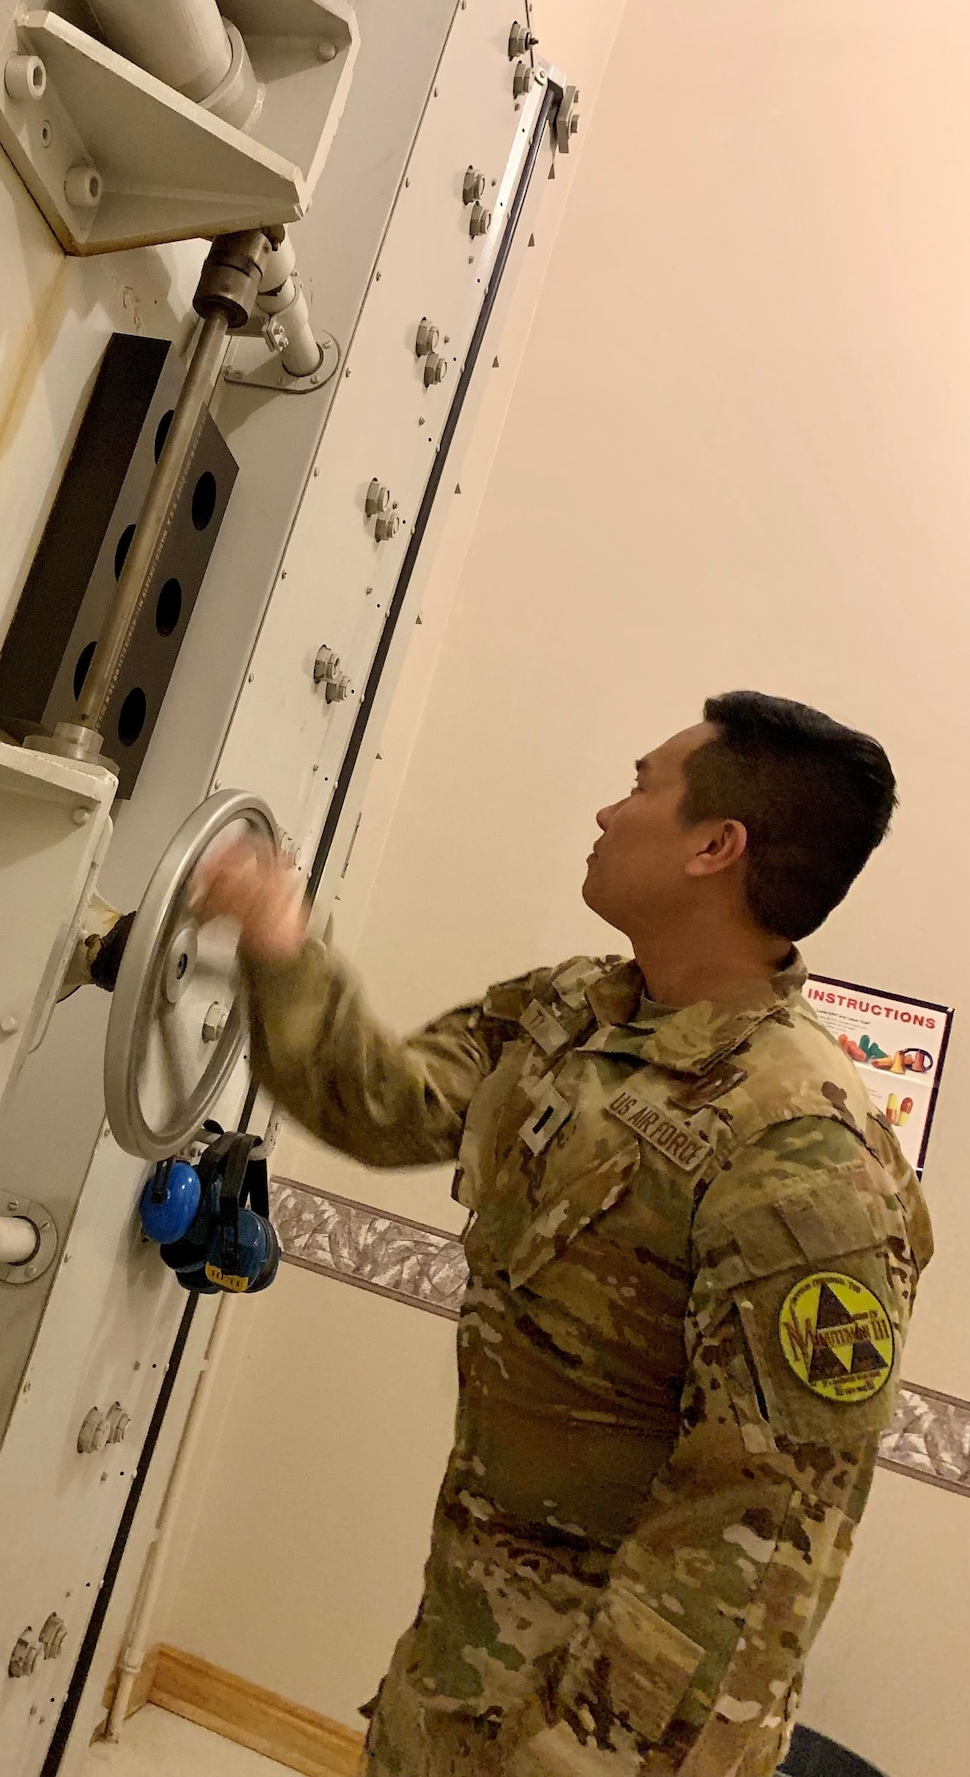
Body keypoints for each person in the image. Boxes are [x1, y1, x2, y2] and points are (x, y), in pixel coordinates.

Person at [190, 693, 933, 1777]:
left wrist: (576, 1754)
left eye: (640, 786)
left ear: (715, 846)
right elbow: (383, 1102)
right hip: (462, 1658)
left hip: (597, 1726)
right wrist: (278, 938)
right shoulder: (574, 1011)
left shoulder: (807, 1151)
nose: (605, 808)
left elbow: (763, 1532)